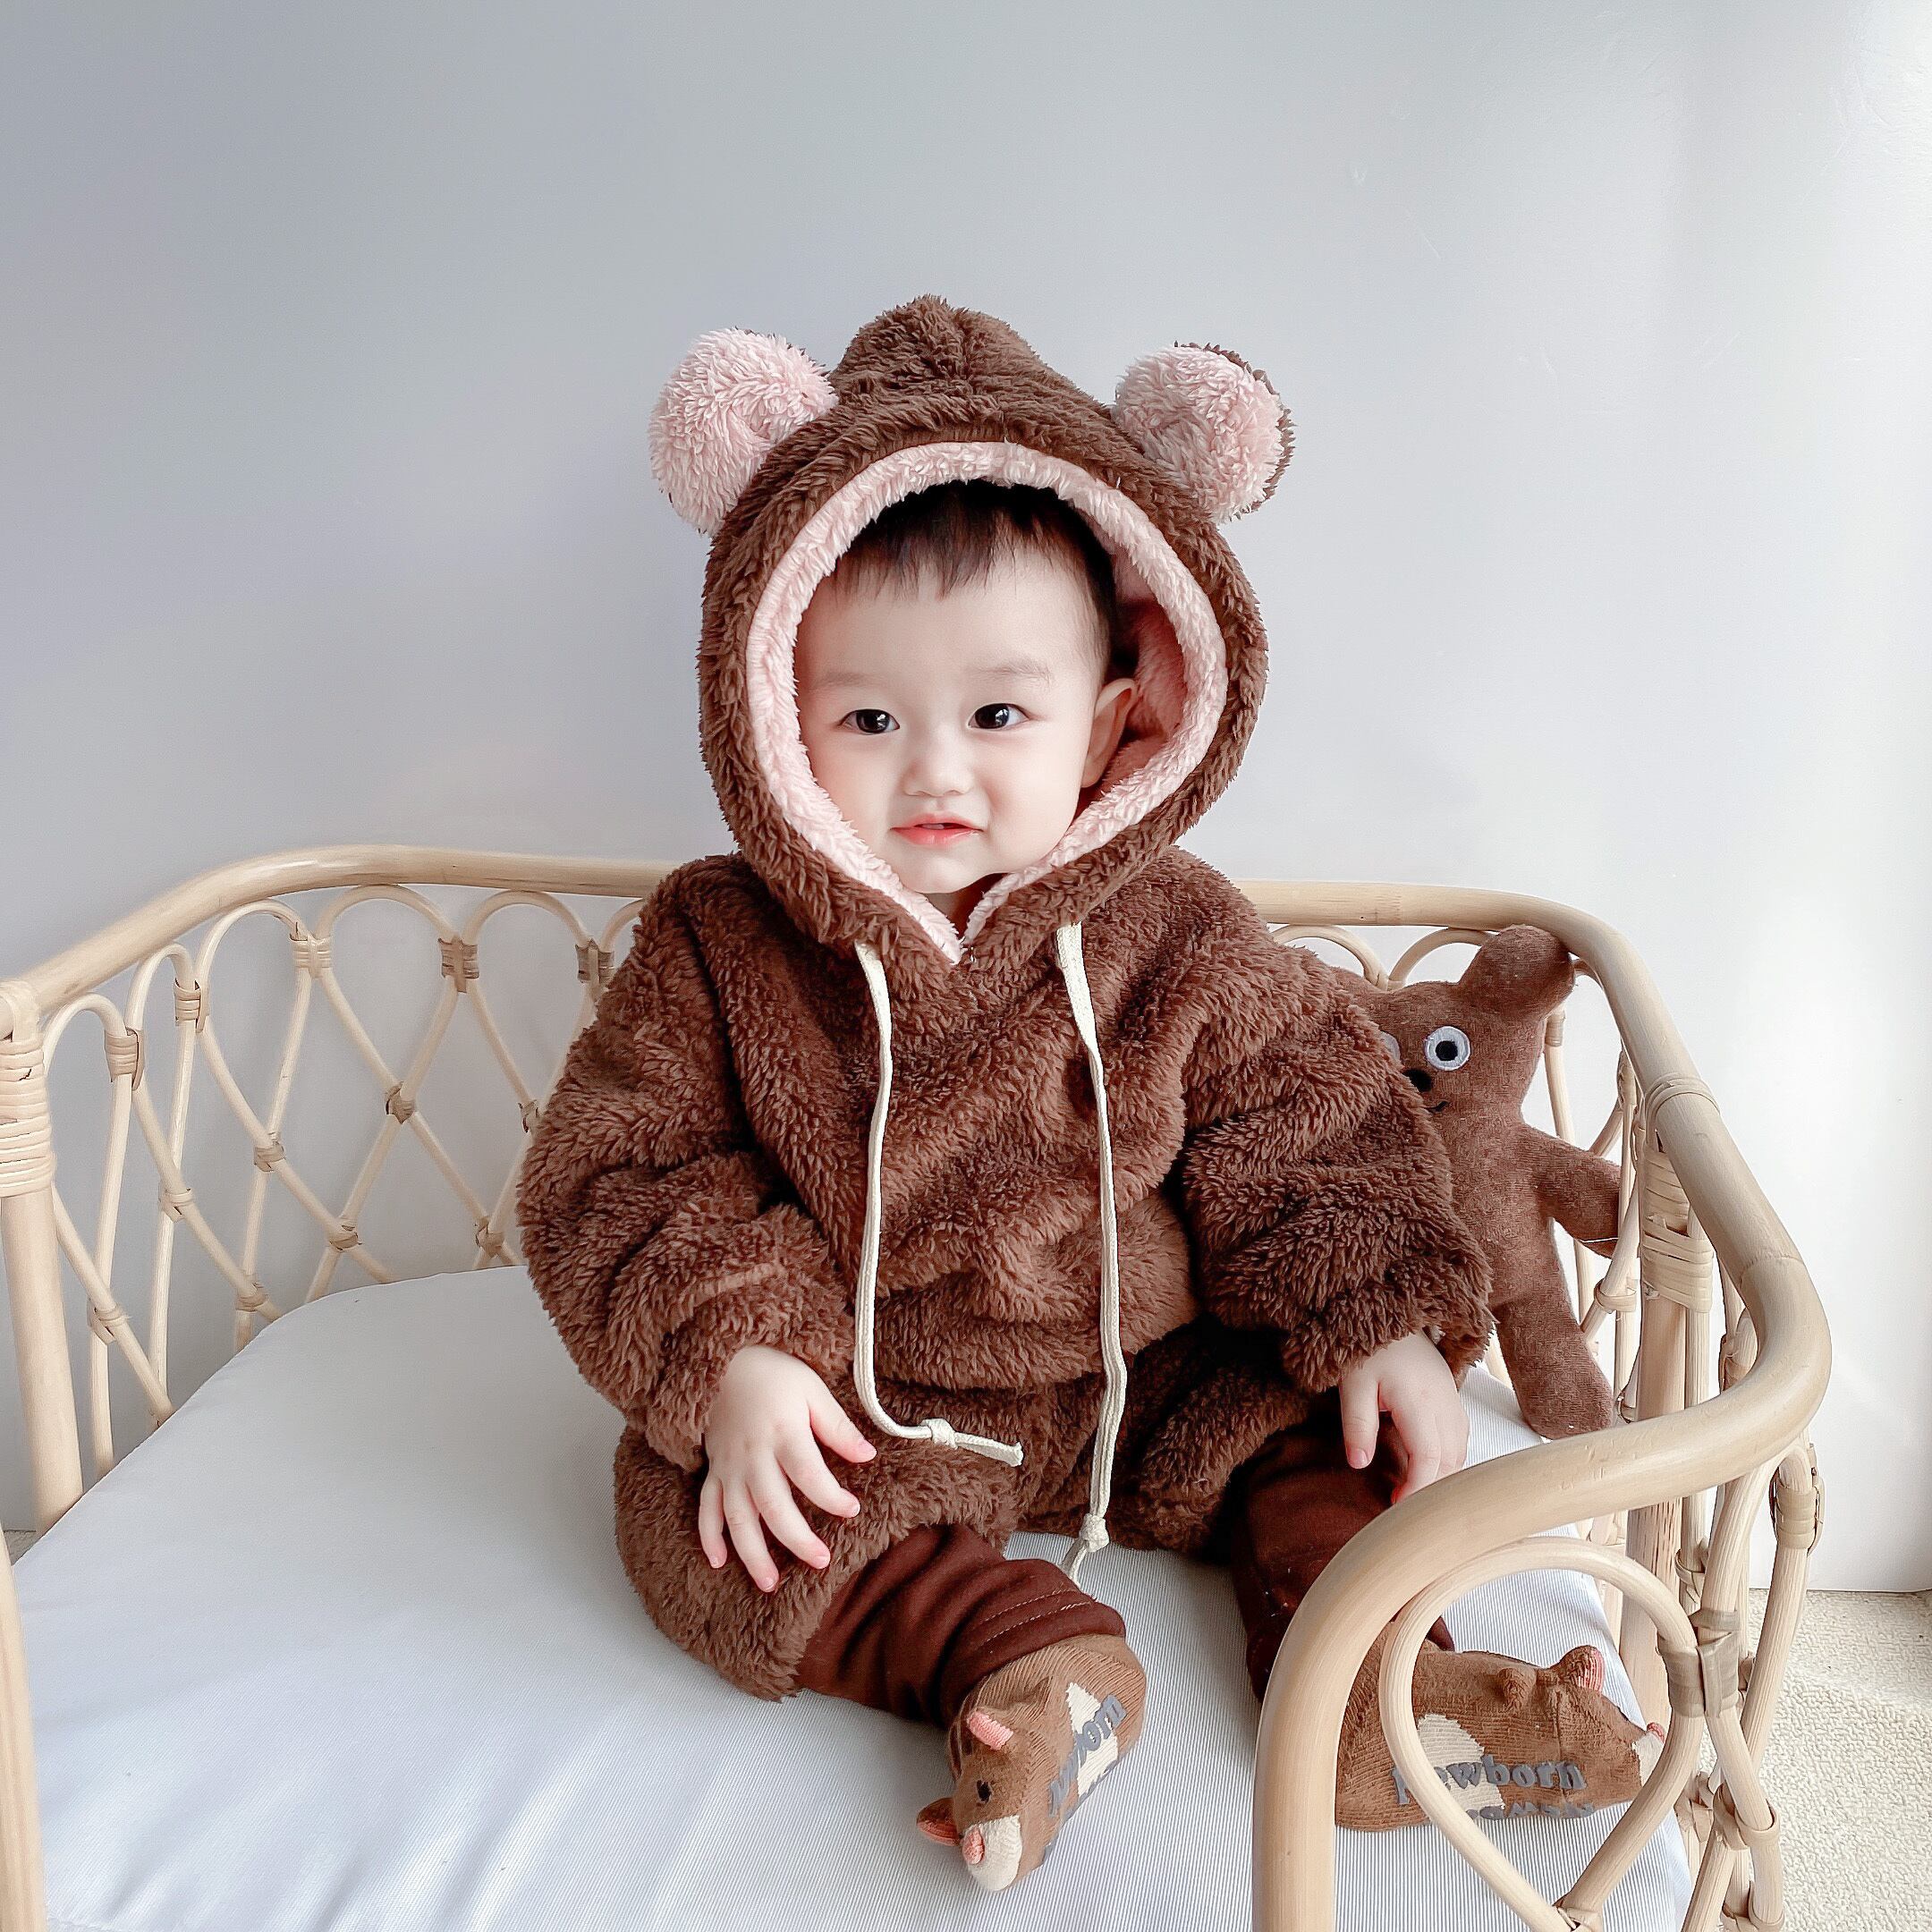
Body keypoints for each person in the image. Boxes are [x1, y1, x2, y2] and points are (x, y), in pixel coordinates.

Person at [516, 297, 1653, 1894]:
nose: (936, 770)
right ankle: (1023, 1666)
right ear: (774, 715)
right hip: (865, 1395)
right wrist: (738, 1356)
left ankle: (1377, 1696)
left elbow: (1305, 1125)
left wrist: (1377, 1314)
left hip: (1154, 1374)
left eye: (998, 715)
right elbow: (621, 1170)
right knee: (706, 1520)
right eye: (868, 719)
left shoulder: (1174, 929)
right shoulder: (716, 943)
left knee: (1322, 1434)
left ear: (1118, 717)